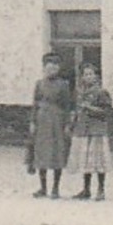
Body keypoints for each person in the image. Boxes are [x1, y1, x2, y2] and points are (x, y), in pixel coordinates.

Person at [29, 54, 72, 198]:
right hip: (42, 121)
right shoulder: (39, 84)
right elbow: (35, 104)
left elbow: (67, 106)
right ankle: (43, 188)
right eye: (48, 66)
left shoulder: (63, 85)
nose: (51, 69)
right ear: (44, 68)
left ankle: (55, 188)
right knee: (41, 153)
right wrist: (32, 121)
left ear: (58, 69)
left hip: (57, 121)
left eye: (54, 66)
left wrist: (67, 124)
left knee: (56, 153)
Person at [68, 62, 112, 201]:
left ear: (96, 76)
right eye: (85, 74)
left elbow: (106, 111)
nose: (88, 77)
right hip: (83, 129)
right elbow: (77, 110)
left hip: (97, 129)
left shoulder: (101, 92)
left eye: (90, 74)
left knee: (98, 161)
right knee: (86, 160)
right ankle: (86, 189)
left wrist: (90, 108)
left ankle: (101, 190)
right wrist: (73, 123)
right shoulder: (80, 93)